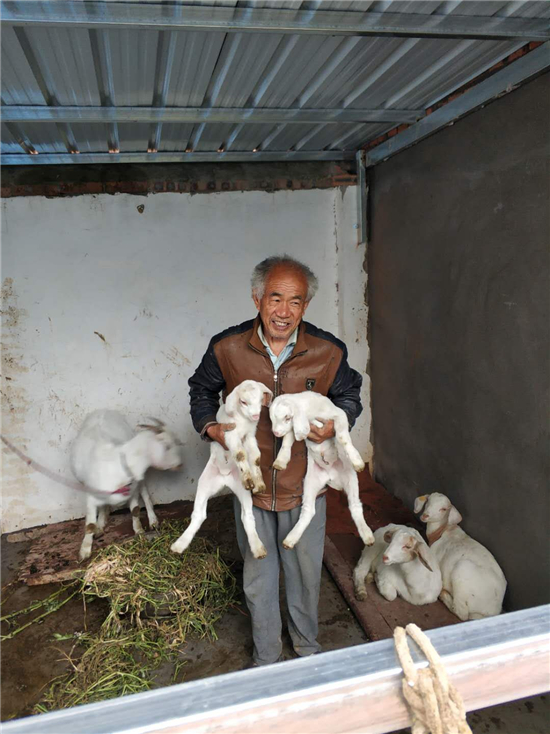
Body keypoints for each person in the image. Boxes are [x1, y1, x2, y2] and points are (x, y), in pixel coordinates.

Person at [189, 255, 363, 666]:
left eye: (295, 301)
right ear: (257, 299)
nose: (284, 311)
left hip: (304, 482)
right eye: (275, 298)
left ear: (306, 306)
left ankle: (306, 651)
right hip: (250, 483)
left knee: (305, 575)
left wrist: (335, 425)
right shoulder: (228, 347)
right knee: (257, 576)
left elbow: (349, 396)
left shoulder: (327, 351)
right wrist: (211, 428)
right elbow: (201, 390)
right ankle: (266, 656)